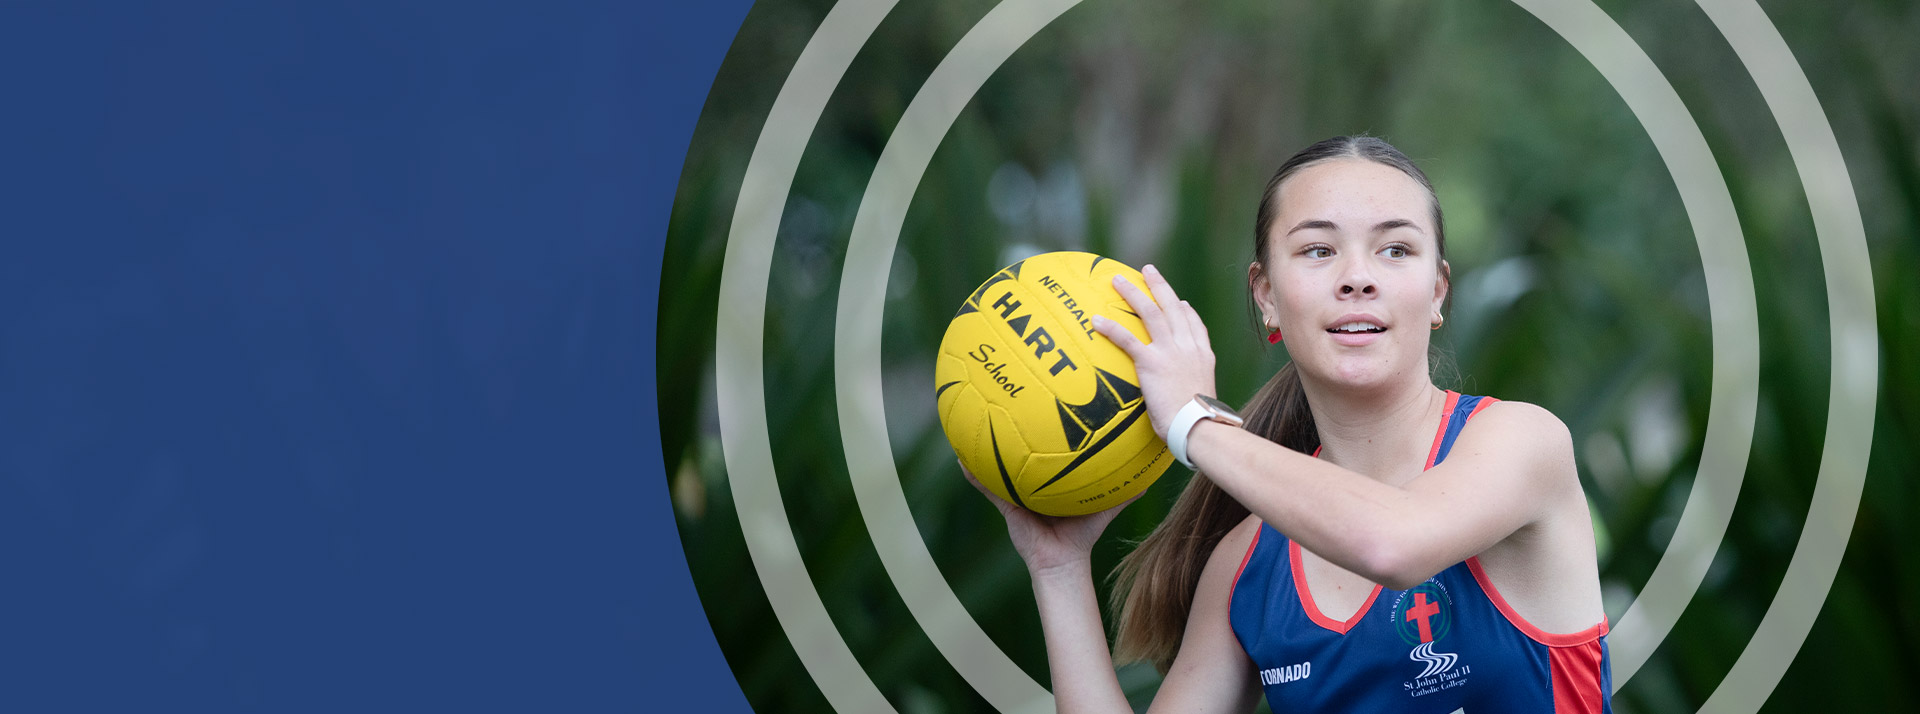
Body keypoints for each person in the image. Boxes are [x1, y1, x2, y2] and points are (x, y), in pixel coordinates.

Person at [961, 135, 1611, 712]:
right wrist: (1059, 569)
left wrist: (1195, 423)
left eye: (1395, 249)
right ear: (1266, 295)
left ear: (1437, 291)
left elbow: (1394, 544)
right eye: (1319, 250)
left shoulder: (1522, 444)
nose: (1357, 278)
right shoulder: (1245, 566)